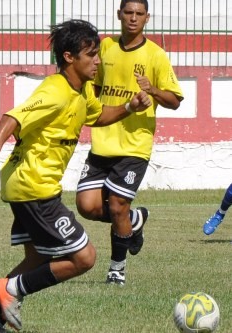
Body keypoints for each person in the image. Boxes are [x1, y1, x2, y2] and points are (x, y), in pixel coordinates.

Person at [0, 19, 151, 333]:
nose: (98, 61)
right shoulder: (54, 90)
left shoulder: (82, 91)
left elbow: (97, 116)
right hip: (34, 187)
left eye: (97, 54)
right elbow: (13, 117)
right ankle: (11, 290)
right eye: (91, 54)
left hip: (25, 185)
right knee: (84, 257)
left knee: (36, 260)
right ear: (69, 57)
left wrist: (130, 105)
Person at [75, 0, 184, 286]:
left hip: (135, 145)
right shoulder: (106, 48)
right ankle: (134, 221)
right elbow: (95, 86)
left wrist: (153, 90)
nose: (133, 18)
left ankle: (116, 270)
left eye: (139, 14)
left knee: (118, 206)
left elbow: (174, 101)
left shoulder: (156, 55)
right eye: (128, 12)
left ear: (147, 18)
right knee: (86, 206)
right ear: (119, 15)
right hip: (103, 142)